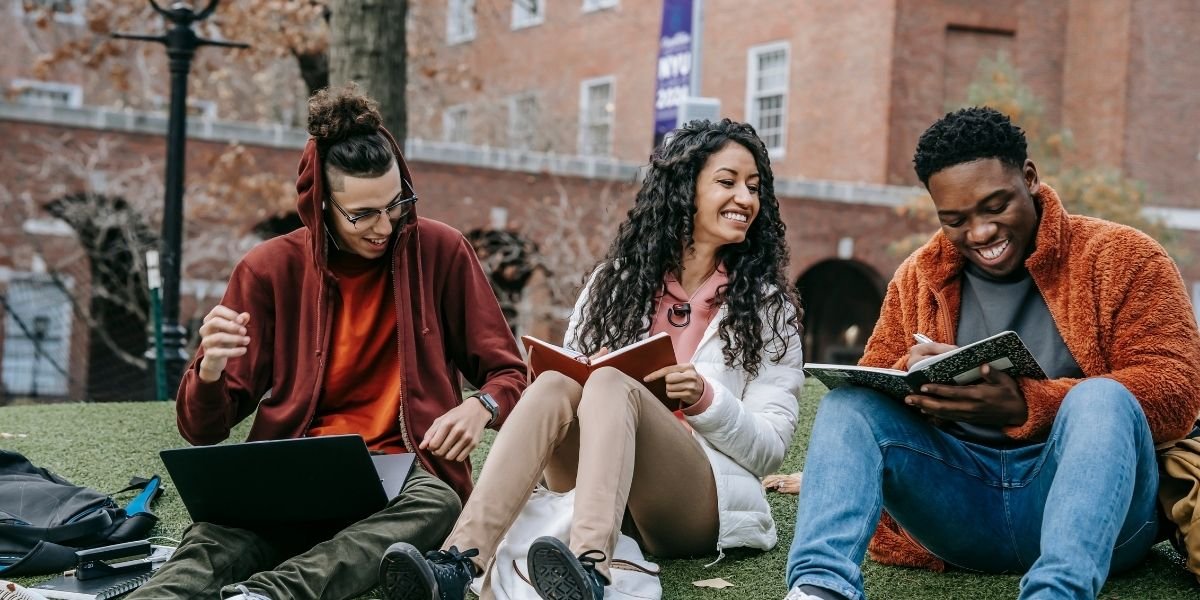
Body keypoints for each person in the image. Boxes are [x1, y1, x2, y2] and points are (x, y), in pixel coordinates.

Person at [378, 119, 806, 600]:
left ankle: (589, 570)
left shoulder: (768, 307)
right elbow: (569, 383)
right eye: (727, 182)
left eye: (754, 188)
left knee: (612, 385)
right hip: (593, 485)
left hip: (693, 505)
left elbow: (771, 447)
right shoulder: (614, 283)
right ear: (684, 190)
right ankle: (457, 562)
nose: (745, 199)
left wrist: (706, 399)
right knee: (557, 384)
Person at [783, 107, 1200, 600]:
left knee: (1103, 399)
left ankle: (1056, 592)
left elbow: (1178, 393)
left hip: (1097, 519)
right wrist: (912, 373)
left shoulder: (1125, 257)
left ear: (1029, 178)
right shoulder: (919, 275)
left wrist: (1030, 405)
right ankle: (818, 588)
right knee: (847, 405)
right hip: (959, 511)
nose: (979, 234)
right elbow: (878, 380)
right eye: (955, 220)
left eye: (995, 207)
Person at [129, 85, 527, 600]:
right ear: (320, 205)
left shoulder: (442, 251)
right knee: (210, 544)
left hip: (402, 474)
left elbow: (511, 373)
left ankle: (269, 595)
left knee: (440, 504)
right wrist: (208, 372)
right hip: (291, 469)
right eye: (363, 214)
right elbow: (201, 430)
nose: (385, 226)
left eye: (396, 204)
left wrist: (481, 406)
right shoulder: (268, 269)